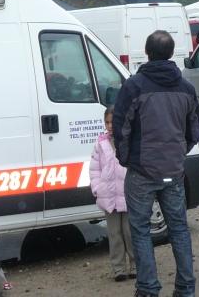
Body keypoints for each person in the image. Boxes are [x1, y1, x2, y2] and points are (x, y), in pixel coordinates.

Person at [112, 30, 199, 297]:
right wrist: (178, 154)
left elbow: (120, 127)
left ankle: (148, 289)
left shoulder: (135, 85)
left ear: (147, 53)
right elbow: (193, 131)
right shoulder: (186, 88)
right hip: (172, 171)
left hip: (142, 171)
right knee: (179, 229)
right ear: (172, 53)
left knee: (140, 231)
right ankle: (186, 289)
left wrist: (126, 159)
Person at [89, 107, 135, 282]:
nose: (109, 126)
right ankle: (118, 269)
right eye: (106, 122)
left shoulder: (128, 140)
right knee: (114, 234)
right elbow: (94, 169)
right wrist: (97, 188)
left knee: (130, 232)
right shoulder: (100, 143)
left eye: (112, 122)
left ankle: (135, 264)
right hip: (108, 197)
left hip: (127, 194)